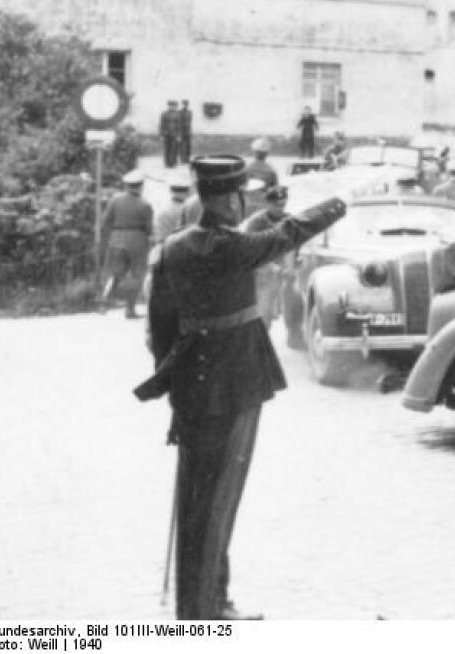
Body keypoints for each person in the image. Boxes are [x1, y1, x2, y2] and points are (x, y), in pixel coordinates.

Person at [135, 155, 347, 620]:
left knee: (198, 497)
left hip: (192, 385)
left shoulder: (171, 249)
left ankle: (207, 602)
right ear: (231, 198)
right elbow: (290, 233)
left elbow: (161, 328)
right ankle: (203, 613)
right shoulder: (234, 247)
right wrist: (337, 204)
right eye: (242, 196)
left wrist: (174, 387)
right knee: (220, 498)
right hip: (236, 385)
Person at [99, 170, 154, 318]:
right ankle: (130, 309)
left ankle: (104, 301)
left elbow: (105, 222)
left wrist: (107, 239)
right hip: (138, 239)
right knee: (137, 275)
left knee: (115, 273)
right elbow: (149, 229)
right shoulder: (145, 205)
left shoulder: (115, 200)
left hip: (116, 237)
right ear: (141, 186)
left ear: (126, 186)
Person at [240, 185, 291, 328]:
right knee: (264, 312)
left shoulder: (289, 220)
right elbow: (249, 250)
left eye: (283, 204)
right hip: (263, 274)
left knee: (293, 304)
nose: (280, 208)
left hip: (284, 271)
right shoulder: (257, 222)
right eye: (276, 205)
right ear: (267, 203)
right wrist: (270, 267)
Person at [153, 172, 193, 245]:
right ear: (188, 191)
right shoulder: (191, 209)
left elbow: (160, 238)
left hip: (169, 250)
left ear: (171, 190)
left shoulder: (164, 210)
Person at [159, 100, 181, 168]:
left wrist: (179, 135)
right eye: (170, 106)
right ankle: (167, 163)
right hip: (166, 134)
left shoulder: (178, 115)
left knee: (174, 149)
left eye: (173, 106)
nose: (172, 107)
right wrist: (161, 135)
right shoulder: (164, 114)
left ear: (175, 107)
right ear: (168, 106)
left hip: (174, 134)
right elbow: (161, 125)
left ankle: (173, 163)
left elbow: (179, 126)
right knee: (167, 149)